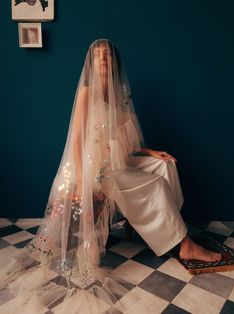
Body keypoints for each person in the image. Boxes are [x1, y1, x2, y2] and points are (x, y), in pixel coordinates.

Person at [0, 39, 221, 313]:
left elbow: (124, 142)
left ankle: (169, 228)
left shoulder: (119, 95)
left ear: (115, 61)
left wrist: (152, 152)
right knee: (153, 186)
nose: (103, 58)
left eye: (107, 54)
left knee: (166, 167)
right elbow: (78, 139)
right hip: (96, 171)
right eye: (97, 54)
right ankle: (184, 245)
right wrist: (82, 177)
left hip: (117, 162)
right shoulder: (86, 92)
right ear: (91, 62)